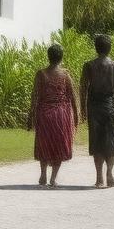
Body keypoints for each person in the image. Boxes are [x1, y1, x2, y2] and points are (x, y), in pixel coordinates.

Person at [80, 33, 114, 188]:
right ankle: (109, 173)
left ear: (96, 48)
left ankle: (99, 178)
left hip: (94, 107)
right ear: (109, 48)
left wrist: (82, 108)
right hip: (111, 106)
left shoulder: (88, 66)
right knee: (112, 142)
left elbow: (82, 89)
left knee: (97, 142)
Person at [28, 42, 79, 187]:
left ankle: (43, 174)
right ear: (61, 58)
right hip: (61, 115)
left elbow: (34, 96)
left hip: (44, 114)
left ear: (48, 57)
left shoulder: (41, 74)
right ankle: (53, 178)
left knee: (44, 144)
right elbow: (73, 97)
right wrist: (76, 115)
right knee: (59, 146)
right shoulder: (65, 75)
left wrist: (30, 116)